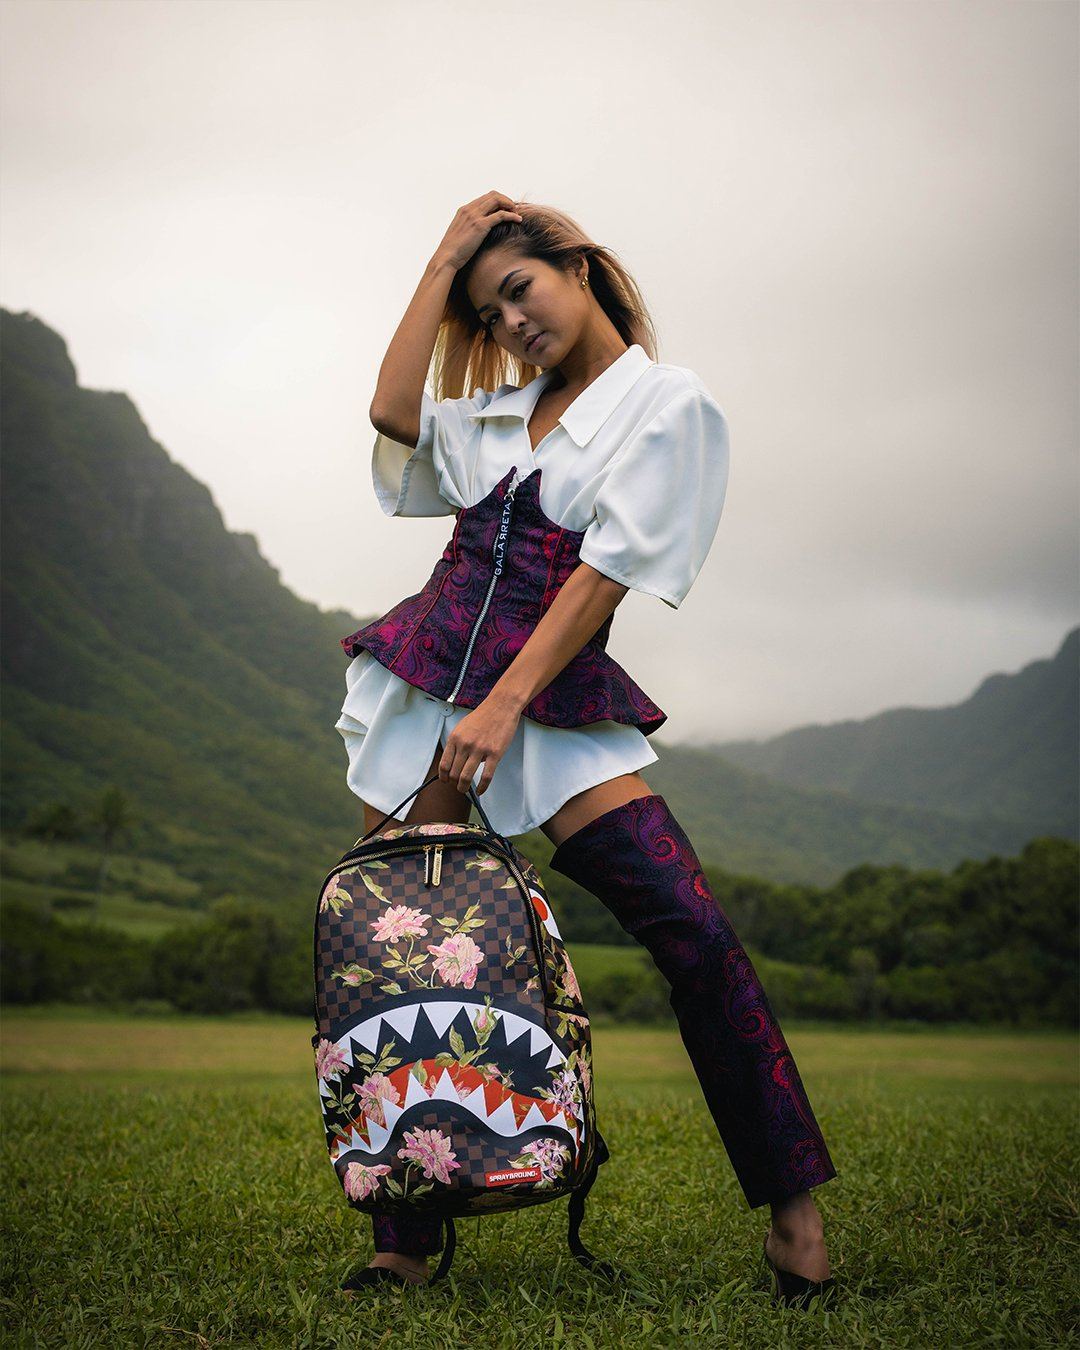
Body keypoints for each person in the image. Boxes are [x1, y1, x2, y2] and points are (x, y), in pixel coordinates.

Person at [334, 192, 838, 1306]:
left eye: (520, 287)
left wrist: (506, 707)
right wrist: (446, 257)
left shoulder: (667, 404)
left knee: (695, 936)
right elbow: (390, 405)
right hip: (424, 690)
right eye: (489, 308)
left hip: (546, 703)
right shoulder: (492, 415)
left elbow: (604, 572)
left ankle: (795, 1219)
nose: (512, 320)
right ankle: (401, 1241)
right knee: (398, 962)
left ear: (582, 268)